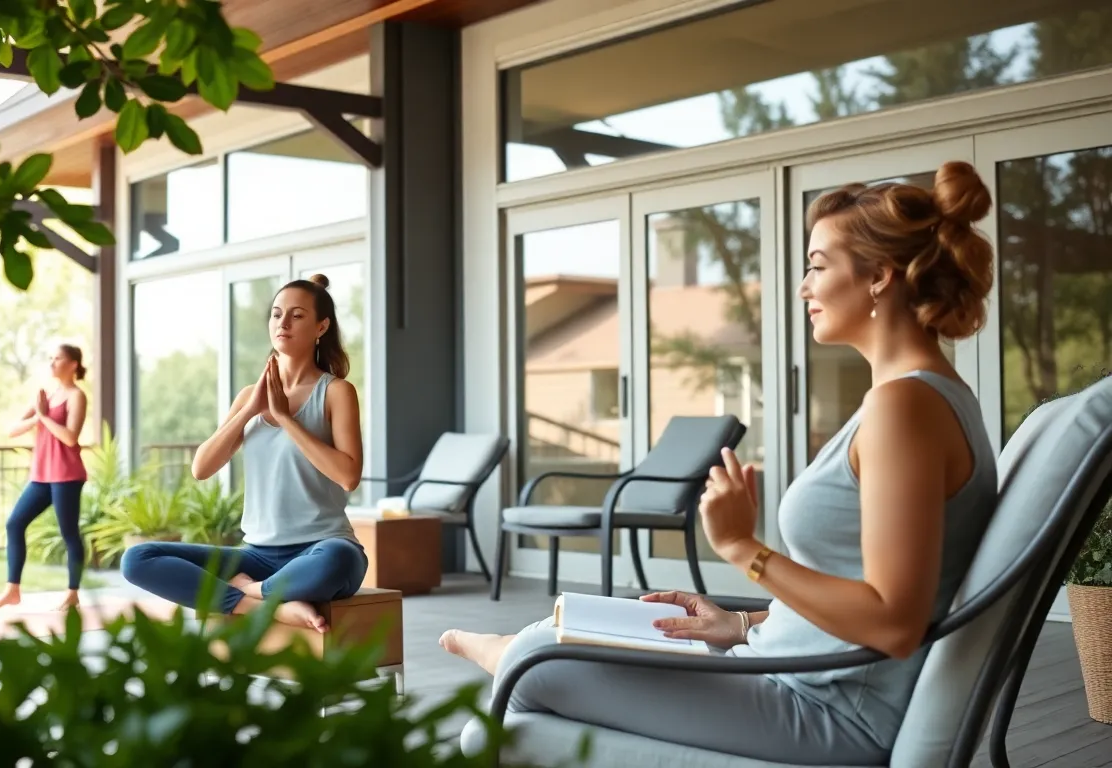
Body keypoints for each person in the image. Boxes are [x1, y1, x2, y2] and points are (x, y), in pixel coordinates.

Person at [441, 161, 1000, 765]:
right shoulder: (919, 399)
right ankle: (512, 651)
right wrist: (741, 623)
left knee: (532, 667)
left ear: (879, 277)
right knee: (531, 685)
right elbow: (864, 589)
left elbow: (893, 622)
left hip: (827, 707)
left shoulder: (905, 408)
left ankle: (510, 650)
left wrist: (741, 548)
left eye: (816, 265)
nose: (804, 288)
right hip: (793, 669)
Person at [120, 273, 367, 634]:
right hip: (257, 555)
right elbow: (202, 468)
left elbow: (348, 475)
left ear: (321, 326)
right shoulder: (249, 397)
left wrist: (285, 418)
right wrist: (250, 410)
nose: (283, 323)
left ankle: (246, 590)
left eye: (297, 315)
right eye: (277, 313)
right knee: (137, 558)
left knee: (338, 561)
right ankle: (262, 605)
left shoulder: (336, 392)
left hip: (320, 547)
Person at [0, 344, 90, 613]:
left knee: (69, 533)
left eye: (58, 359)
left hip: (67, 475)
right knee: (14, 524)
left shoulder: (76, 396)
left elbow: (70, 437)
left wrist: (43, 417)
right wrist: (37, 416)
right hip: (42, 475)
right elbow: (12, 430)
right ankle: (12, 590)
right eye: (50, 358)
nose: (52, 363)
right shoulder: (47, 396)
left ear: (73, 364)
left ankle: (72, 593)